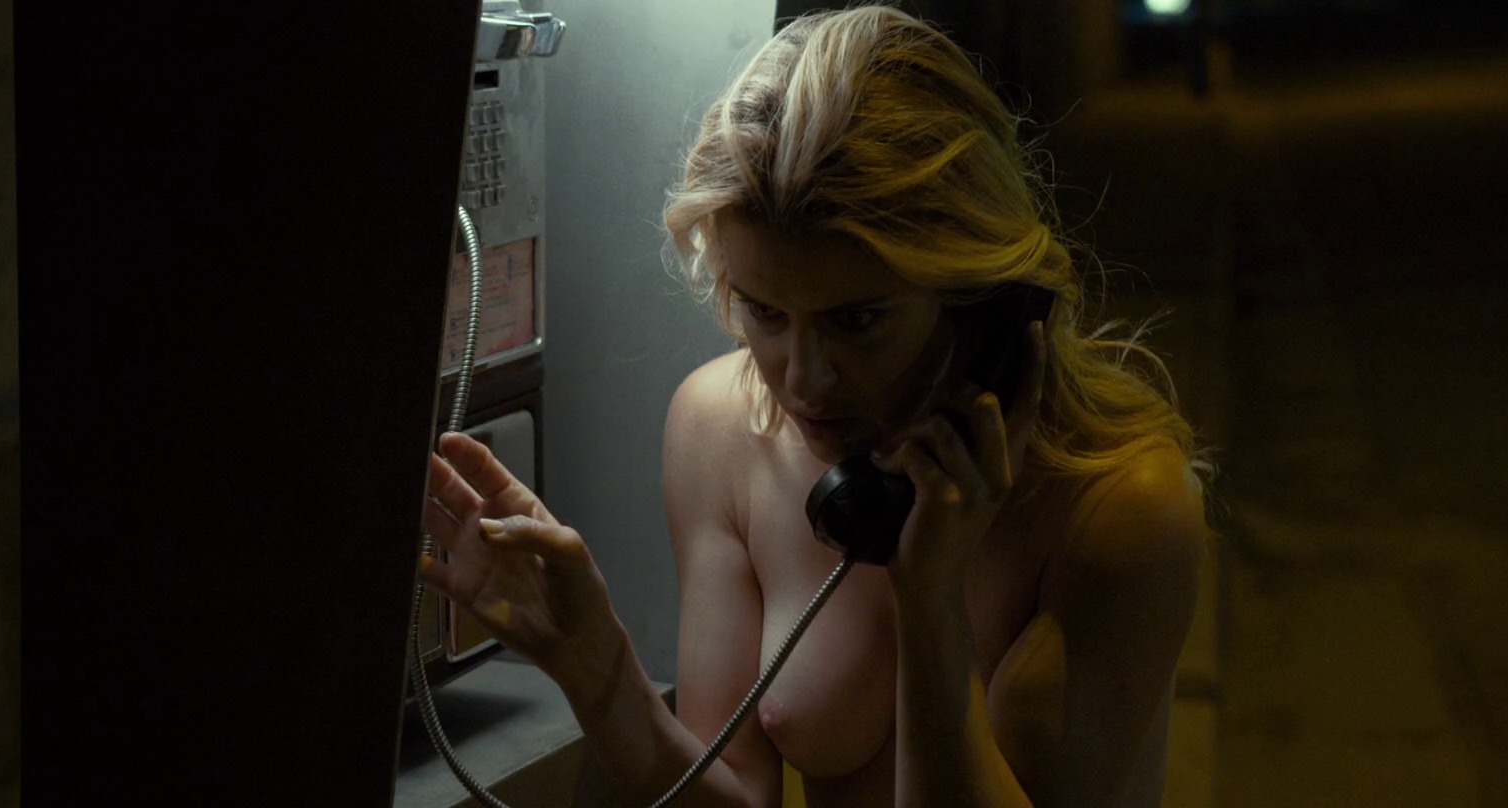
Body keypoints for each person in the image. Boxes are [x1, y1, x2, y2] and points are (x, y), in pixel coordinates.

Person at [419, 5, 1212, 806]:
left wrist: (932, 604)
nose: (803, 381)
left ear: (978, 294)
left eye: (857, 321)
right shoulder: (720, 432)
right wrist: (596, 667)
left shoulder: (1117, 509)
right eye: (765, 312)